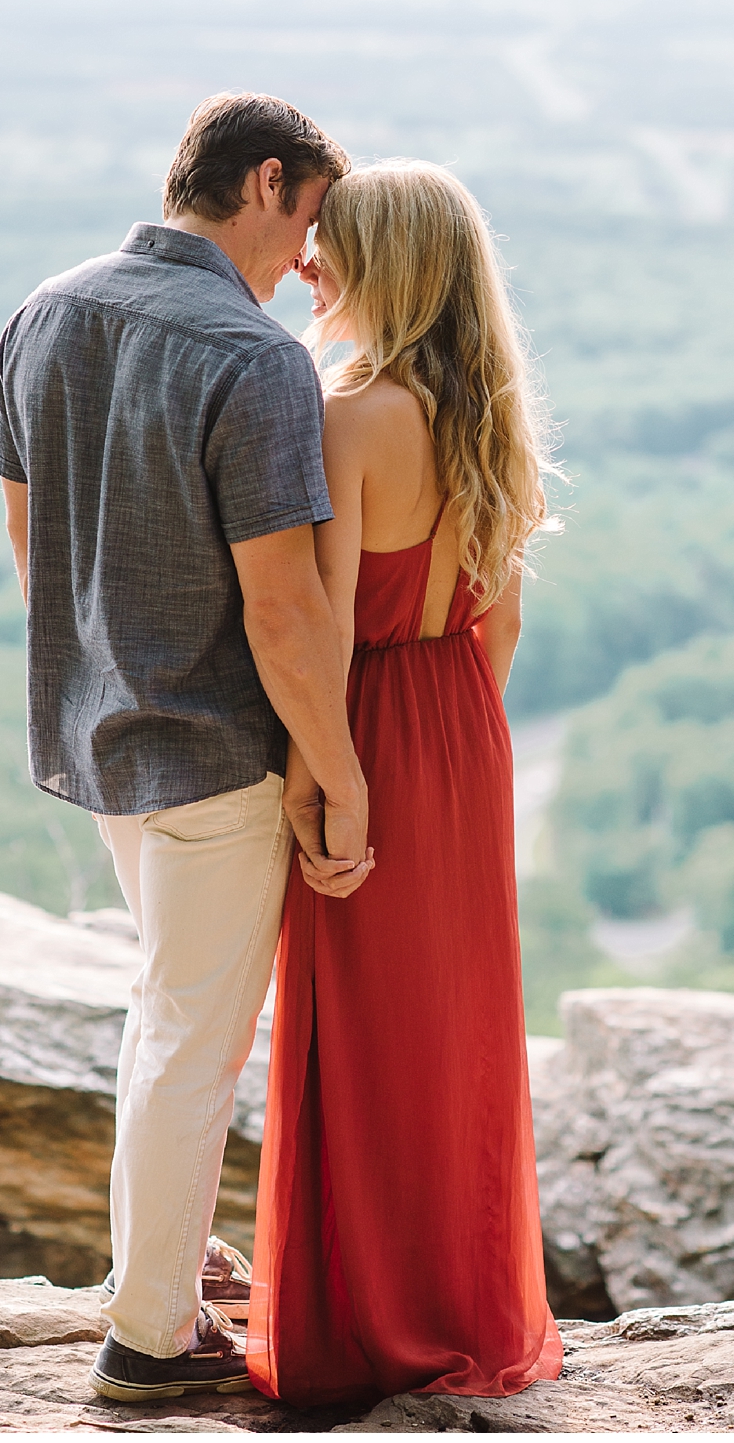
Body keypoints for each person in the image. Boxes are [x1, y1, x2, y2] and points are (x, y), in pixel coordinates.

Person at [0, 91, 369, 1401]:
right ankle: (149, 1338)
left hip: (99, 733)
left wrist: (100, 656)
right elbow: (281, 604)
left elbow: (29, 538)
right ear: (263, 182)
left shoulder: (44, 311)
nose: (311, 259)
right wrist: (338, 767)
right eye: (311, 218)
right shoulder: (252, 357)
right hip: (218, 749)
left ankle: (175, 1252)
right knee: (191, 1044)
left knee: (167, 1012)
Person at [246, 160, 566, 1404]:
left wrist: (328, 779)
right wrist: (451, 737)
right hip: (463, 732)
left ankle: (364, 1327)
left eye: (332, 246)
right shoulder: (489, 415)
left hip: (369, 723)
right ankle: (463, 1306)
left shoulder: (349, 415)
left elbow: (320, 629)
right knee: (457, 1028)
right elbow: (503, 632)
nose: (310, 265)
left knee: (362, 1034)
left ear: (388, 267)